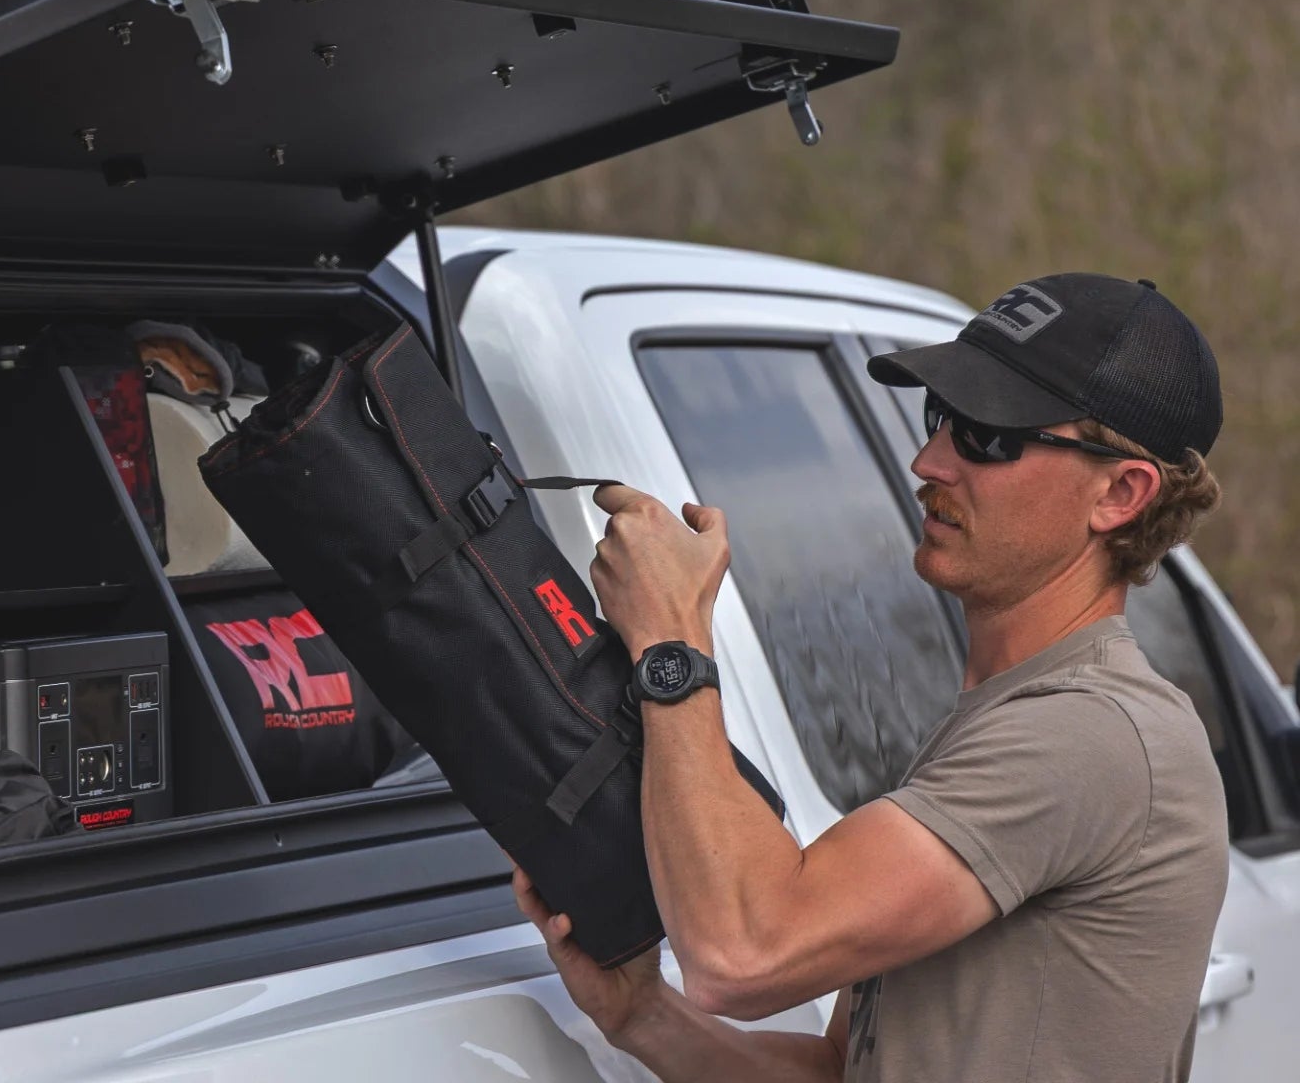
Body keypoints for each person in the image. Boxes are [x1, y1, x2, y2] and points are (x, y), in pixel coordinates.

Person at [514, 273, 1229, 1081]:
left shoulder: (1091, 735)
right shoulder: (1002, 724)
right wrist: (643, 1015)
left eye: (987, 435)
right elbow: (840, 1069)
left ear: (1120, 493)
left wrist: (670, 639)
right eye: (940, 417)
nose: (929, 461)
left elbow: (742, 953)